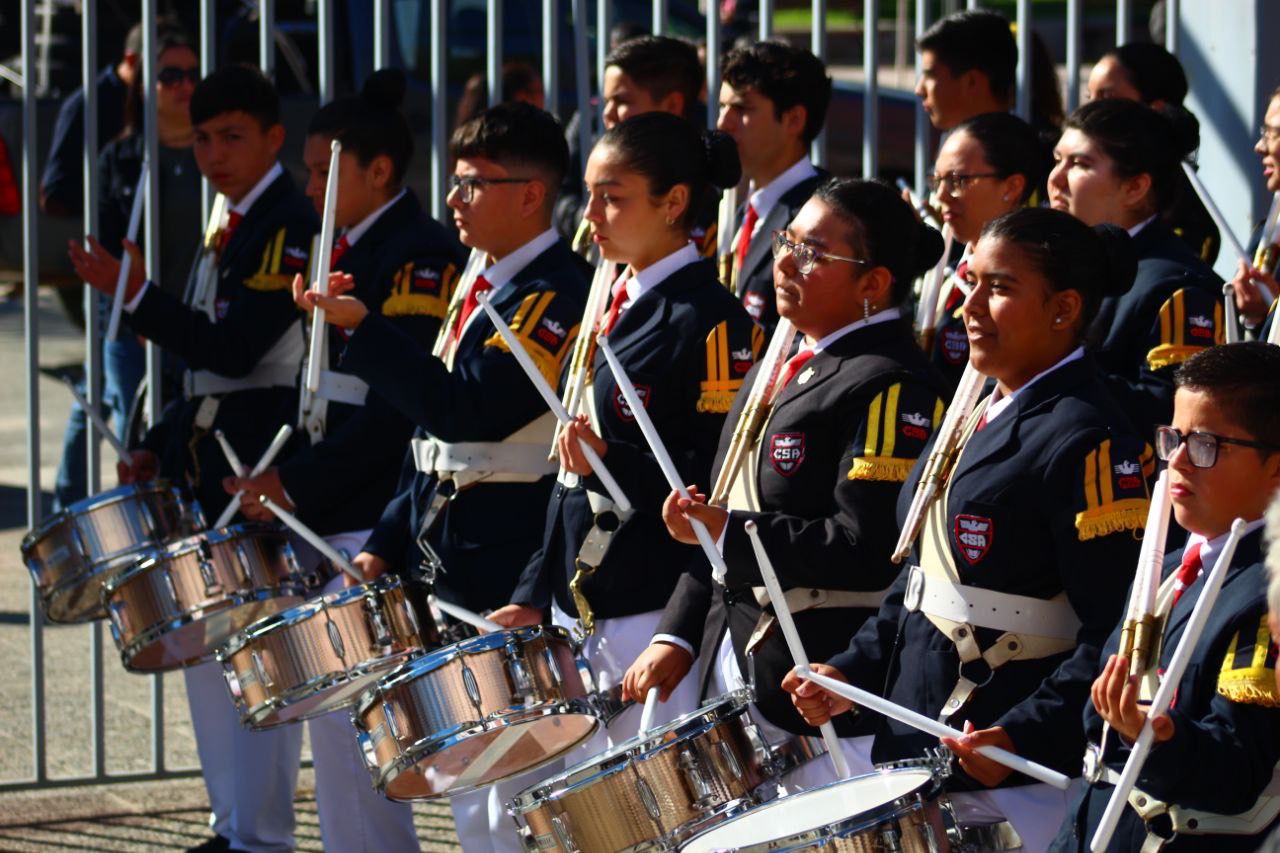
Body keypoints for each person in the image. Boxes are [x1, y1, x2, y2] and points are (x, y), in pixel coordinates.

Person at [783, 208, 1151, 851]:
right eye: (971, 282)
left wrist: (1025, 733)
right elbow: (922, 582)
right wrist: (850, 671)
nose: (970, 306)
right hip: (921, 745)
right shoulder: (974, 409)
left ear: (1064, 308)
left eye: (999, 288)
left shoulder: (1089, 435)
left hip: (1010, 780)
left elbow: (1116, 630)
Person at [298, 101, 588, 853]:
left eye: (474, 183)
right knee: (467, 791)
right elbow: (424, 441)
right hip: (449, 564)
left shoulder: (556, 293)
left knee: (510, 803)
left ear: (531, 194)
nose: (455, 199)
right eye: (455, 182)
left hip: (506, 564)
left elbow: (470, 410)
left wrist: (366, 328)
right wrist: (385, 541)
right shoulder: (482, 279)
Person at [624, 178, 947, 792]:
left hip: (823, 691)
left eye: (813, 253)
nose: (785, 263)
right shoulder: (784, 362)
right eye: (786, 242)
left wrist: (730, 531)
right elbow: (725, 508)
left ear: (873, 284)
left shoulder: (890, 382)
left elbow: (868, 547)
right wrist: (678, 632)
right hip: (741, 671)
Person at [68, 65, 319, 853]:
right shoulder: (230, 217)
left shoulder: (289, 222)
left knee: (258, 658)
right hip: (210, 461)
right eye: (203, 138)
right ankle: (232, 825)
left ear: (274, 138)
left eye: (232, 136)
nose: (214, 154)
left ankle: (264, 835)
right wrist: (156, 440)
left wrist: (137, 297)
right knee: (212, 661)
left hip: (259, 461)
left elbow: (237, 350)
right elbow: (199, 368)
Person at [222, 68, 463, 852]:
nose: (310, 188)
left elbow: (397, 417)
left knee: (359, 713)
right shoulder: (349, 246)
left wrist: (294, 483)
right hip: (330, 509)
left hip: (374, 514)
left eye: (324, 172)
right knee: (325, 712)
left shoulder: (421, 254)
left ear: (379, 170)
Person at [490, 112, 758, 762]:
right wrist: (533, 591)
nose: (590, 216)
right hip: (577, 597)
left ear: (673, 202)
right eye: (588, 195)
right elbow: (568, 477)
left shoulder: (711, 319)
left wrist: (612, 458)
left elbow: (713, 480)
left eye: (612, 198)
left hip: (649, 603)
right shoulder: (607, 296)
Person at [1052, 342, 1280, 852]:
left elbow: (1236, 767)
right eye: (1173, 438)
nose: (1177, 460)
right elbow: (1103, 705)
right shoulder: (1173, 565)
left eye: (1206, 444)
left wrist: (1154, 733)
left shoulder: (1268, 594)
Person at [52, 25, 201, 511]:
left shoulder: (216, 156)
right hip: (132, 319)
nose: (184, 85)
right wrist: (137, 312)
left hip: (197, 320)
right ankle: (103, 517)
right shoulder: (119, 158)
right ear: (144, 84)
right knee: (132, 433)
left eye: (193, 75)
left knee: (189, 430)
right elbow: (105, 248)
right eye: (171, 75)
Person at [1048, 97, 1223, 433]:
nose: (1056, 178)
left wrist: (1049, 364)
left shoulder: (1180, 287)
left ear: (1135, 187)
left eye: (1080, 164)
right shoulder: (1064, 259)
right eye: (1057, 160)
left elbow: (1169, 413)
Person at [554, 36, 713, 254]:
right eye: (606, 101)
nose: (607, 114)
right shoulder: (589, 131)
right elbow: (561, 194)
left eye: (622, 101)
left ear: (672, 104)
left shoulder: (708, 194)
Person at [924, 112, 1044, 397]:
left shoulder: (1033, 281)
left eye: (957, 180)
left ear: (1012, 187)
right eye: (937, 181)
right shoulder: (948, 270)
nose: (941, 196)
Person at [717, 41, 832, 335]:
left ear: (793, 120)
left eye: (741, 108)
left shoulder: (823, 218)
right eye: (722, 107)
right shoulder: (741, 208)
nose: (723, 123)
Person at [1087, 43, 1220, 266]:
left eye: (1106, 97)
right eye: (1089, 96)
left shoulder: (1186, 219)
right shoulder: (1072, 183)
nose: (1089, 110)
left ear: (1155, 108)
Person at [40, 22, 140, 216]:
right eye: (166, 72)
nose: (182, 84)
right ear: (131, 60)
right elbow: (54, 193)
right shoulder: (86, 104)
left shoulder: (161, 100)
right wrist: (113, 200)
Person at [1227, 85, 1280, 336]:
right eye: (1264, 133)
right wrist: (1256, 317)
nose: (1260, 146)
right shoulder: (1266, 234)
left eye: (1274, 134)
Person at [914, 10, 1016, 132]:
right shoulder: (1020, 139)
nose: (918, 90)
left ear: (971, 82)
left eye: (930, 75)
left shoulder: (967, 144)